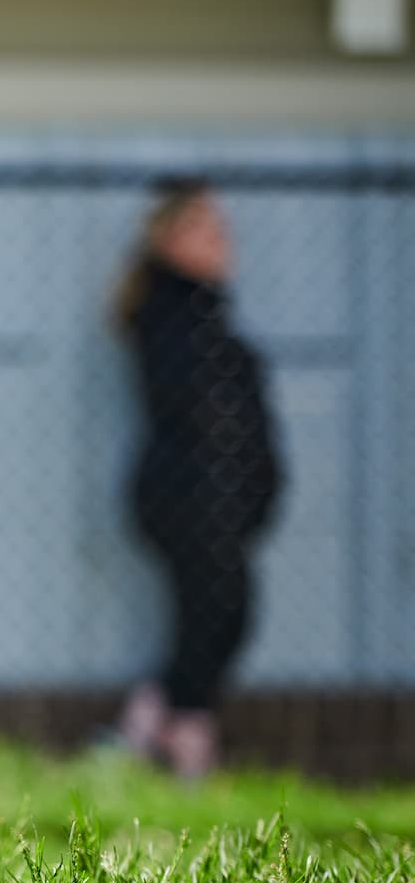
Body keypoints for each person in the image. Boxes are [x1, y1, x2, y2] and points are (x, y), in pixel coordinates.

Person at [112, 176, 284, 778]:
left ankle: (152, 724)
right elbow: (209, 414)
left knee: (219, 617)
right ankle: (181, 742)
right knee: (214, 613)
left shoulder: (205, 313)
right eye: (204, 227)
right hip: (188, 496)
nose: (221, 239)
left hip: (217, 498)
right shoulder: (169, 316)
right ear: (168, 238)